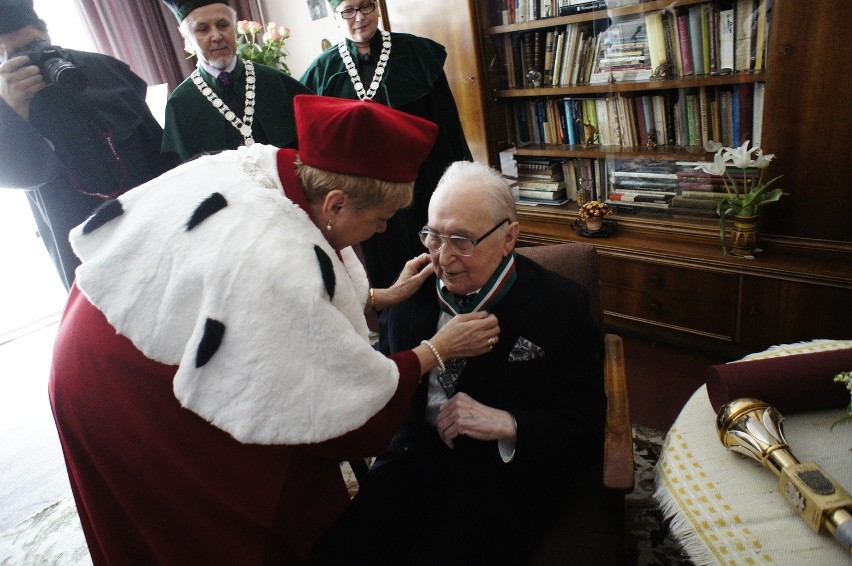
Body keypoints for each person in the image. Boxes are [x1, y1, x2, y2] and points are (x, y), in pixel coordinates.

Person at [48, 95, 500, 565]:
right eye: (381, 218)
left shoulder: (277, 172)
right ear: (337, 203)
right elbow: (344, 411)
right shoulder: (275, 254)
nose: (385, 231)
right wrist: (434, 350)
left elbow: (232, 292)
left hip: (101, 325)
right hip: (125, 384)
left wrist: (375, 296)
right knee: (215, 523)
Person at [313, 161, 608, 565]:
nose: (443, 258)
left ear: (509, 238)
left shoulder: (562, 306)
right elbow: (383, 381)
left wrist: (508, 423)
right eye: (432, 236)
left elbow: (589, 432)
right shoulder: (409, 294)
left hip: (505, 477)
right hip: (413, 459)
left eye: (462, 240)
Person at [300, 0, 472, 349]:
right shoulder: (322, 72)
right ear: (335, 16)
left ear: (378, 8)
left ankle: (453, 339)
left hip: (425, 187)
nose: (359, 17)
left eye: (365, 6)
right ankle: (402, 350)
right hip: (366, 201)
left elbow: (449, 130)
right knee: (386, 273)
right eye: (348, 10)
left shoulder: (416, 54)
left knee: (437, 258)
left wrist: (462, 185)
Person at [0, 0, 167, 290]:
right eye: (13, 55)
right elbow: (21, 176)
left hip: (154, 224)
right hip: (83, 247)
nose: (26, 61)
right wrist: (16, 111)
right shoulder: (6, 102)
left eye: (32, 46)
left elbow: (159, 147)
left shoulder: (102, 69)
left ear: (46, 33)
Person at [160, 0, 313, 164]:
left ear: (235, 27)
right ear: (187, 38)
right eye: (203, 29)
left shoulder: (275, 82)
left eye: (223, 25)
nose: (217, 36)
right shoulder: (180, 104)